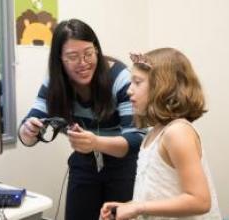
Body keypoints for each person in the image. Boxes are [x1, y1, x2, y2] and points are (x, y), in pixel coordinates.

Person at [18, 18, 144, 220]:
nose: (83, 63)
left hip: (123, 165)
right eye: (73, 57)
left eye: (88, 53)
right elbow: (29, 128)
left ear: (97, 50)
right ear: (60, 59)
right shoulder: (55, 83)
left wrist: (96, 143)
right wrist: (28, 130)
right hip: (84, 163)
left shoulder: (120, 78)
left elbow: (137, 138)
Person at [100, 48, 222, 220]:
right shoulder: (153, 134)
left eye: (137, 82)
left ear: (162, 87)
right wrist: (130, 206)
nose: (129, 91)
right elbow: (161, 193)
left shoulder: (177, 132)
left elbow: (200, 201)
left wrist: (138, 208)